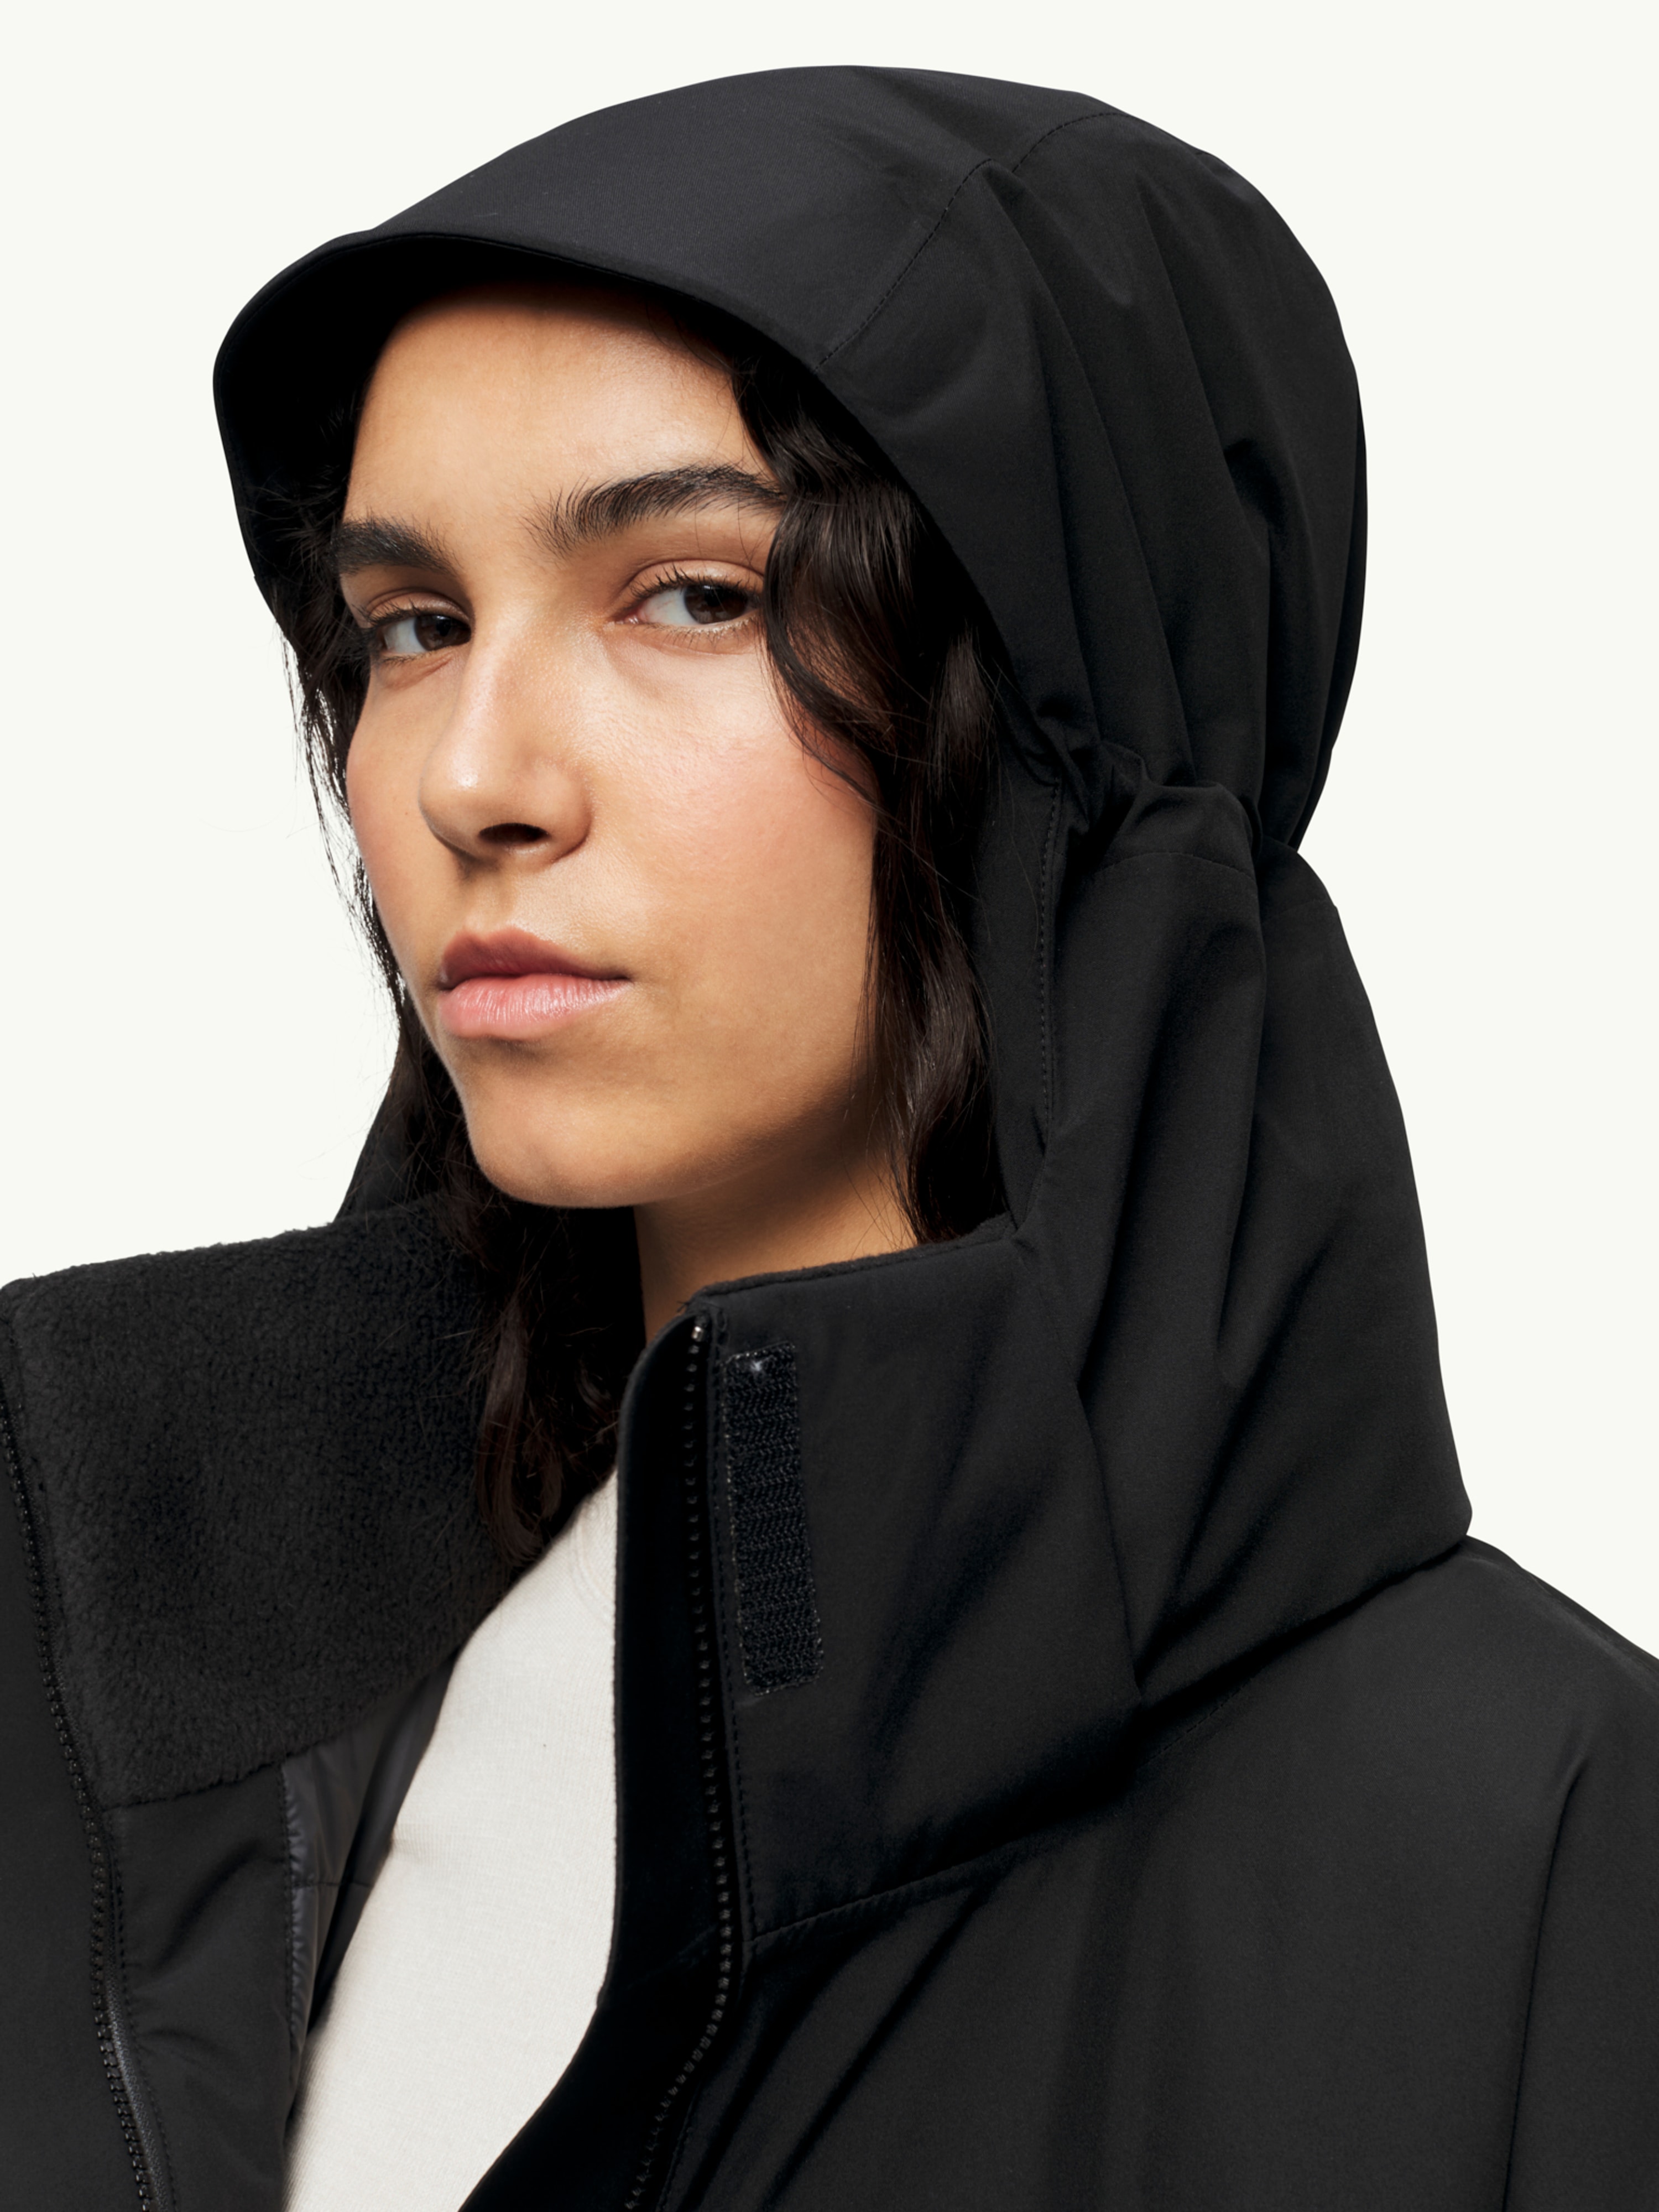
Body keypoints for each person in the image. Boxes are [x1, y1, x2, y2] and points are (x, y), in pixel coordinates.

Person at [2, 64, 1655, 2212]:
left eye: (691, 594)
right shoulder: (128, 1687)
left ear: (1062, 713)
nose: (472, 776)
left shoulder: (1548, 1849)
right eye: (412, 624)